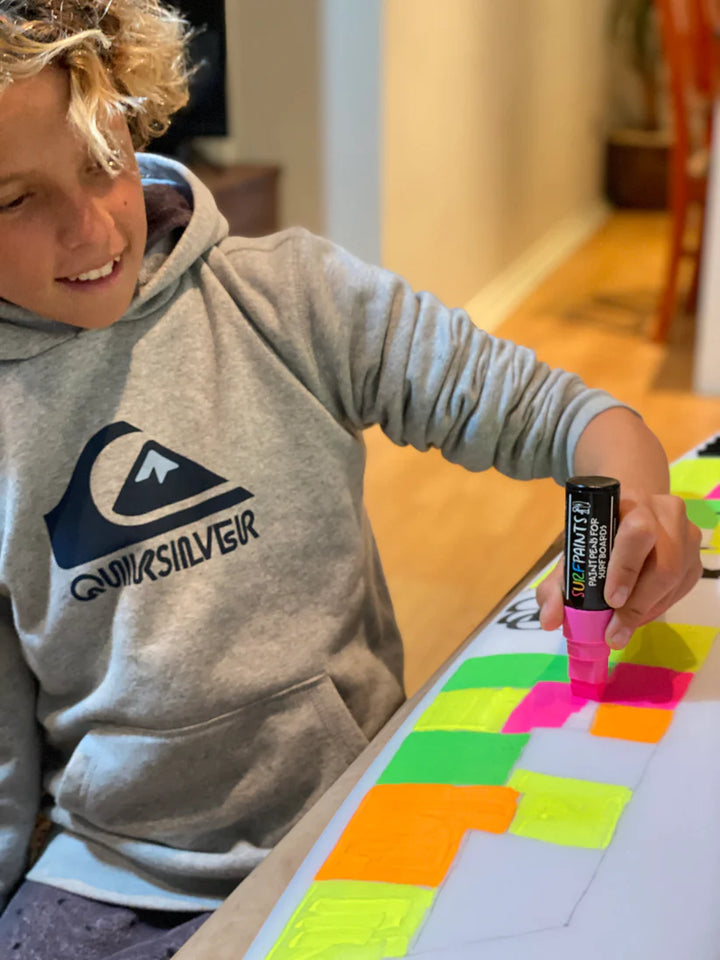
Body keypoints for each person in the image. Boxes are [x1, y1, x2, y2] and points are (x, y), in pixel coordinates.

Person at [0, 1, 702, 957]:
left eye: (101, 161)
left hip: (357, 820)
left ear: (133, 121)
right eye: (14, 200)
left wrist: (633, 505)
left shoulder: (292, 298)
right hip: (113, 873)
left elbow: (567, 416)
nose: (87, 229)